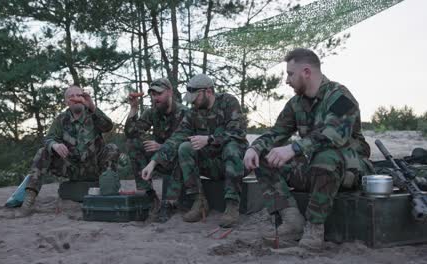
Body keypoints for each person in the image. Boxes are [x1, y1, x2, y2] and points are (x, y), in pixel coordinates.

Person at [243, 48, 373, 250]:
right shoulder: (296, 104)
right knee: (264, 158)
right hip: (313, 168)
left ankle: (314, 228)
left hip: (348, 169)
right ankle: (292, 220)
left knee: (326, 155)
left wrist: (293, 148)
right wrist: (254, 148)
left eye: (290, 74)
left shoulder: (340, 97)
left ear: (306, 72)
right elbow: (276, 133)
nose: (287, 81)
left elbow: (333, 135)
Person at [141, 74, 248, 227]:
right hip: (211, 164)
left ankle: (231, 205)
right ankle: (199, 201)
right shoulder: (194, 112)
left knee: (231, 147)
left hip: (234, 163)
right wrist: (153, 162)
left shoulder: (228, 102)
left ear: (208, 92)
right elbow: (176, 137)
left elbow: (238, 133)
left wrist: (209, 139)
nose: (193, 102)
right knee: (185, 147)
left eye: (195, 97)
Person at [19, 85, 119, 216]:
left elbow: (108, 127)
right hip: (71, 168)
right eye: (71, 96)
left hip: (94, 166)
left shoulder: (93, 115)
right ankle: (29, 199)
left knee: (112, 148)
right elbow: (49, 138)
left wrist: (92, 106)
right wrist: (54, 145)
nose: (76, 98)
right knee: (43, 152)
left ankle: (108, 194)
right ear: (66, 102)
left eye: (79, 95)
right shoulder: (61, 119)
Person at [124, 78, 188, 222]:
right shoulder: (152, 112)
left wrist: (162, 147)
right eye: (152, 94)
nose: (155, 98)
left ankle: (170, 203)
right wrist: (133, 109)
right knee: (133, 143)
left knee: (183, 150)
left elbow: (189, 142)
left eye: (159, 94)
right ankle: (150, 196)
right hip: (160, 159)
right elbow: (131, 133)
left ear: (170, 92)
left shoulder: (184, 113)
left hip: (181, 160)